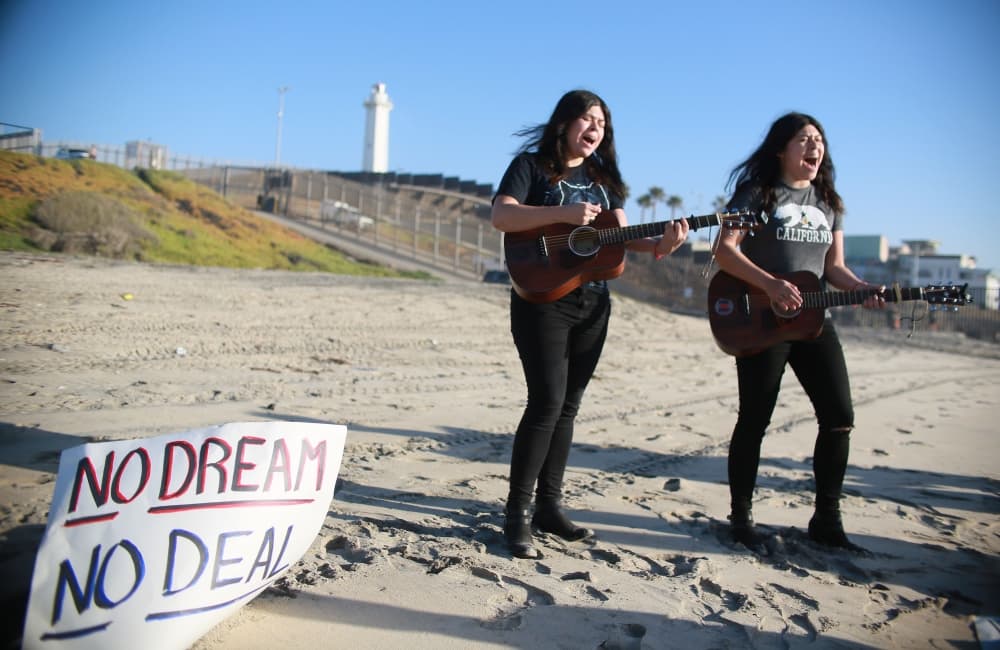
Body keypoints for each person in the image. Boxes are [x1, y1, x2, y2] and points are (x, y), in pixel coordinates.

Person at [491, 89, 689, 559]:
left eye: (602, 122)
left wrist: (661, 244)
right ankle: (516, 515)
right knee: (546, 402)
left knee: (568, 407)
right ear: (564, 123)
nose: (596, 128)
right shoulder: (531, 166)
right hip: (541, 300)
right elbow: (502, 215)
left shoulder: (605, 179)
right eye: (588, 118)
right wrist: (563, 212)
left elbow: (618, 236)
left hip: (593, 300)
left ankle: (549, 507)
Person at [714, 112, 885, 553]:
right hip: (760, 319)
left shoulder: (829, 201)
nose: (814, 147)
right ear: (781, 149)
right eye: (804, 139)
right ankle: (741, 518)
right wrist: (771, 284)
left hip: (813, 321)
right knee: (755, 418)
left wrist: (863, 288)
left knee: (839, 417)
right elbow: (725, 251)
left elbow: (835, 268)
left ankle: (827, 519)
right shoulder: (757, 193)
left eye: (819, 140)